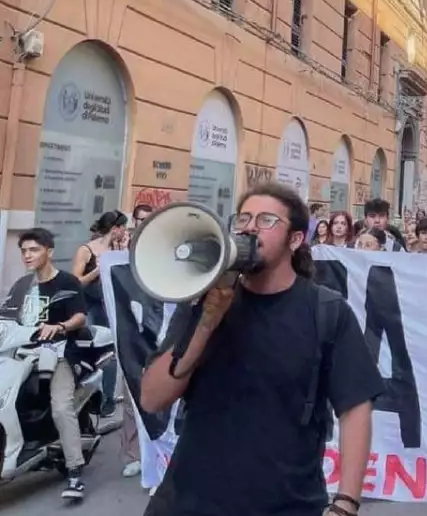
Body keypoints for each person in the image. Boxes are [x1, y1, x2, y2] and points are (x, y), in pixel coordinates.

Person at [139, 182, 383, 516]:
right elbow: (152, 398)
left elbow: (355, 407)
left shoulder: (326, 311)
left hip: (285, 502)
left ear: (295, 239)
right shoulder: (203, 301)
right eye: (244, 218)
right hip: (189, 499)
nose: (251, 227)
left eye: (267, 220)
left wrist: (346, 503)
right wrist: (206, 322)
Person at [4, 228, 90, 499]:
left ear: (49, 252)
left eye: (34, 250)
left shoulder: (67, 282)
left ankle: (75, 473)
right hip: (21, 352)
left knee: (61, 407)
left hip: (59, 351)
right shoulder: (22, 285)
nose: (27, 255)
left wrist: (59, 326)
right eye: (24, 250)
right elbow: (7, 316)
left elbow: (80, 317)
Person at [71, 209, 127, 416]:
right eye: (123, 227)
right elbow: (76, 282)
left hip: (111, 305)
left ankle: (108, 399)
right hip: (90, 304)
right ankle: (87, 395)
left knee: (111, 354)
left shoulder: (119, 247)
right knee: (92, 350)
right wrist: (98, 269)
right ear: (115, 229)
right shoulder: (86, 250)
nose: (125, 231)